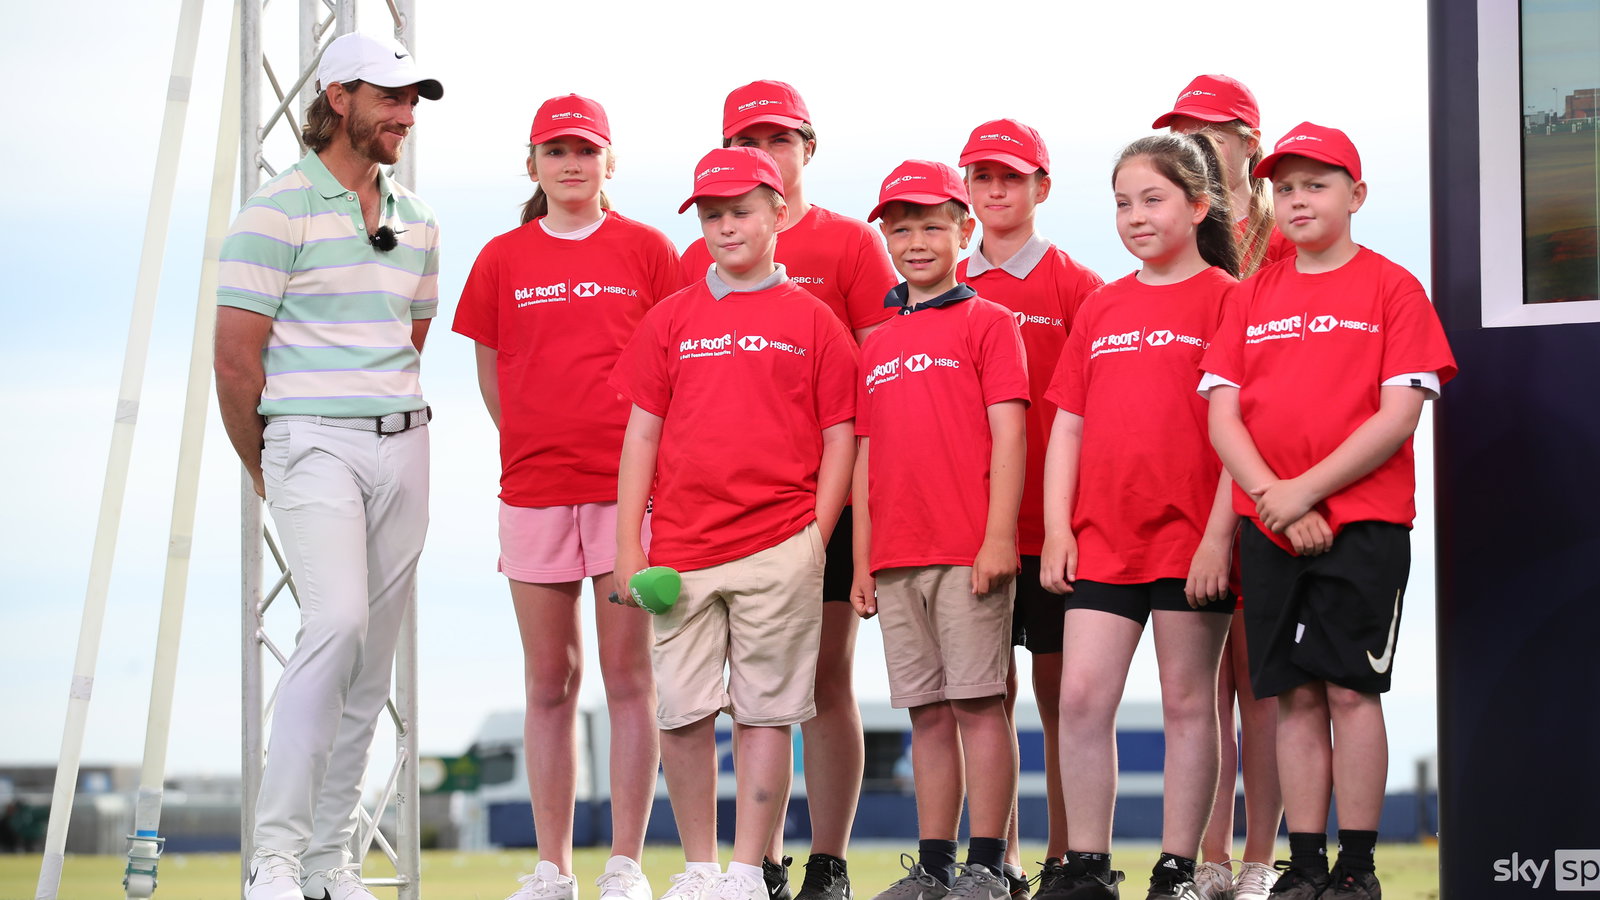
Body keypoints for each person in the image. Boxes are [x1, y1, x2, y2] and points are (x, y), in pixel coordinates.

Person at [213, 31, 443, 900]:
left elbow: (407, 340)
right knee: (336, 624)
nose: (405, 115)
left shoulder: (419, 219)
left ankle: (327, 860)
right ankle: (274, 856)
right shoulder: (273, 210)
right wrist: (267, 464)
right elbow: (236, 362)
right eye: (390, 98)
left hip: (405, 442)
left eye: (412, 100)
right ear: (338, 98)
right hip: (310, 439)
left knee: (372, 662)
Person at [1202, 123, 1456, 900]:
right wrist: (1275, 502)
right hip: (1271, 527)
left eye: (1316, 185)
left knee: (1350, 690)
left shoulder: (1392, 287)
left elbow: (1398, 414)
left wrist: (1303, 492)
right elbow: (1223, 416)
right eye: (1285, 188)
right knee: (1295, 696)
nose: (1298, 200)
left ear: (1357, 195)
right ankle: (1305, 865)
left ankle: (1356, 868)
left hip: (1364, 525)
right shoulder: (1252, 295)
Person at [609, 146, 859, 900]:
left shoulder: (814, 321)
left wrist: (815, 538)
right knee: (683, 712)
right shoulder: (670, 319)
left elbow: (841, 437)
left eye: (741, 212)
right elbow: (641, 436)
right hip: (681, 553)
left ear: (778, 214)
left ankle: (748, 871)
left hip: (780, 546)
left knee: (765, 713)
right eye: (712, 215)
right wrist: (628, 546)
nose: (726, 227)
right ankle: (701, 867)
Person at [451, 94, 682, 900]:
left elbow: (676, 365)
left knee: (629, 679)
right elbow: (492, 374)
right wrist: (535, 440)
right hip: (534, 493)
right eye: (556, 151)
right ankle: (553, 868)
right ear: (532, 165)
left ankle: (625, 865)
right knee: (549, 682)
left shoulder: (649, 249)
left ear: (609, 162)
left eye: (586, 150)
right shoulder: (501, 258)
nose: (572, 164)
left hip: (629, 497)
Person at [680, 83, 898, 900]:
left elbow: (881, 376)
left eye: (779, 138)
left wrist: (850, 508)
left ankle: (827, 862)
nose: (765, 151)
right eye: (747, 139)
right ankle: (757, 863)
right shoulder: (702, 252)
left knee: (824, 680)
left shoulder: (850, 244)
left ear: (809, 147)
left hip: (824, 504)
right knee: (748, 687)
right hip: (727, 509)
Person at [1039, 134, 1241, 900]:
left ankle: (1177, 869)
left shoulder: (1229, 298)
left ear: (1198, 205)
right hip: (1102, 539)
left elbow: (1243, 430)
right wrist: (1058, 528)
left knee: (1189, 704)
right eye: (1123, 203)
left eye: (1152, 199)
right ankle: (1087, 867)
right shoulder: (1102, 305)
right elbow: (1068, 427)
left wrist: (1219, 537)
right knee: (1081, 699)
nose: (1135, 216)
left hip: (1193, 540)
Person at [852, 159, 1028, 900]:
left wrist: (998, 538)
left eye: (932, 226)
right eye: (901, 231)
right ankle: (934, 866)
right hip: (896, 557)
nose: (916, 242)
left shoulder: (990, 322)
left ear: (964, 231)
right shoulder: (875, 342)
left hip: (966, 551)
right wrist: (862, 561)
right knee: (925, 713)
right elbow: (866, 458)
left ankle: (989, 862)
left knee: (979, 704)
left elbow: (1010, 434)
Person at [955, 119, 1104, 897]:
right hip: (967, 531)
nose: (995, 191)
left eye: (1010, 177)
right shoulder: (943, 281)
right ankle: (998, 860)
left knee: (1059, 702)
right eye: (981, 177)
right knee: (984, 699)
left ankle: (1063, 857)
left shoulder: (1079, 287)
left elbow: (1099, 414)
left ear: (1042, 187)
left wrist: (1071, 521)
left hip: (1052, 533)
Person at [1151, 74, 1287, 900]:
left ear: (1250, 146)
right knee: (1199, 691)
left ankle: (1261, 858)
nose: (1197, 144)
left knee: (1261, 685)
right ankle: (1208, 858)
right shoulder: (1170, 232)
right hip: (1187, 489)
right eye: (1184, 132)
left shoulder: (1290, 232)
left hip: (1269, 487)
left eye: (1213, 132)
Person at [1153, 74, 1293, 278]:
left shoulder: (1286, 233)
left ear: (1251, 144)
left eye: (1211, 141)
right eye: (1182, 142)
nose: (1194, 154)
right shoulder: (1167, 231)